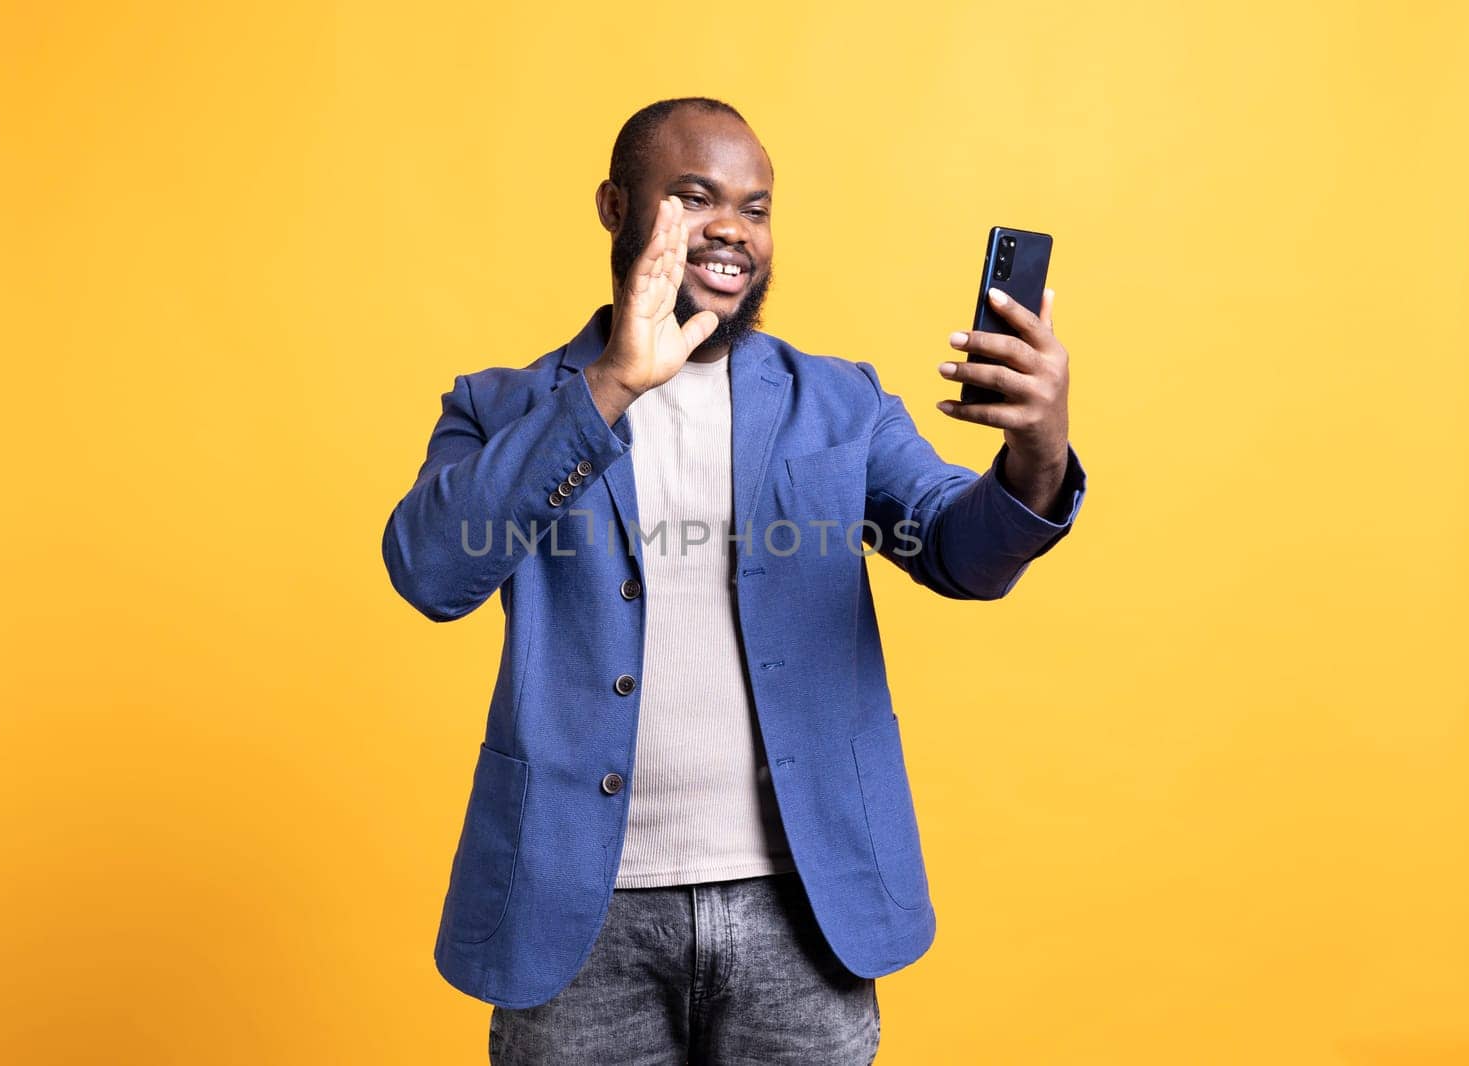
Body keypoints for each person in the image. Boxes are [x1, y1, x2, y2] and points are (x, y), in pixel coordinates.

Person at [381, 96, 1087, 1065]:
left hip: (800, 920)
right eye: (693, 196)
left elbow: (958, 551)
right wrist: (611, 387)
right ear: (614, 207)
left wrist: (1036, 455)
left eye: (754, 208)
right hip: (575, 927)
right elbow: (430, 566)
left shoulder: (839, 404)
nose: (731, 229)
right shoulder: (503, 408)